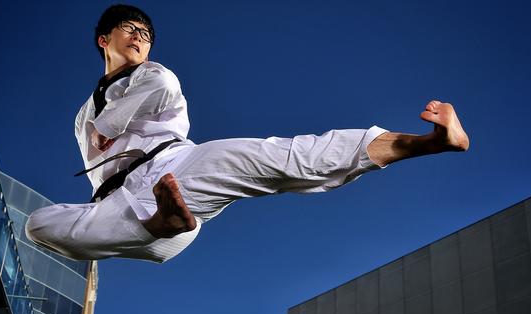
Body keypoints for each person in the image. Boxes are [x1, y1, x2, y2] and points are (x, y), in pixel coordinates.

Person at [25, 4, 469, 264]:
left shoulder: (153, 74)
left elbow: (160, 88)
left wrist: (109, 126)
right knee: (37, 224)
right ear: (105, 39)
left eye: (146, 33)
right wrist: (101, 131)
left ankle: (426, 142)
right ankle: (157, 225)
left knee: (281, 157)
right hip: (121, 206)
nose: (140, 37)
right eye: (130, 29)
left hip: (177, 168)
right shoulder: (84, 114)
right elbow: (95, 165)